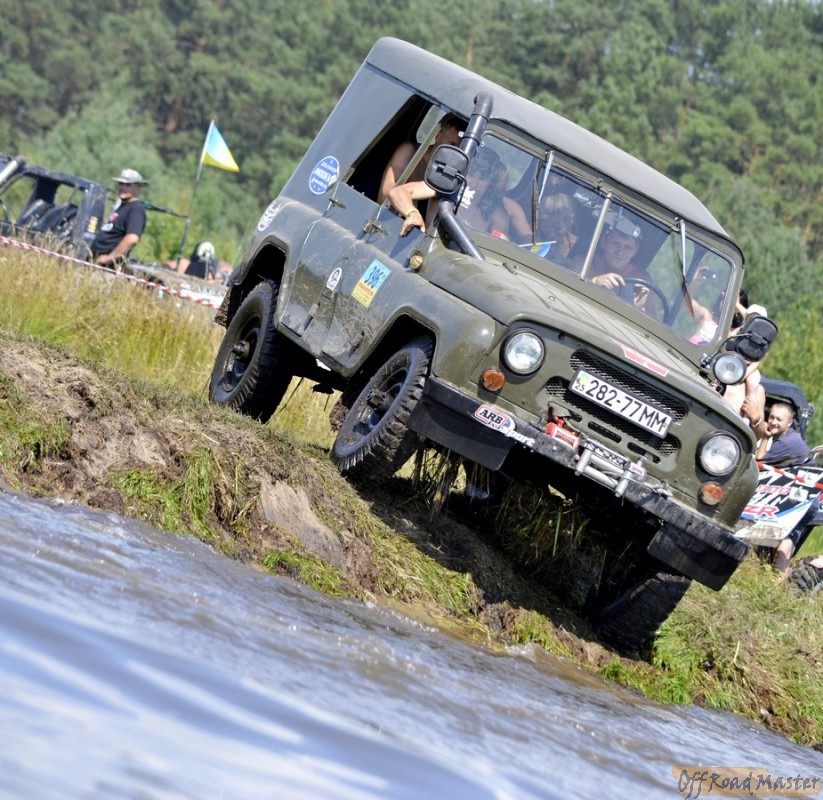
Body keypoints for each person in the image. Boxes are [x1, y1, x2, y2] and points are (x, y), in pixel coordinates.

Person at [388, 146, 510, 237]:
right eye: (472, 175)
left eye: (482, 179)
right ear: (464, 173)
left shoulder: (496, 215)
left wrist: (502, 241)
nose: (475, 183)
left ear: (491, 182)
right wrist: (412, 213)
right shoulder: (445, 186)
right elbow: (397, 192)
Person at [377, 115, 464, 203]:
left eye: (461, 148)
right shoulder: (410, 153)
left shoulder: (456, 176)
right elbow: (387, 194)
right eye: (452, 144)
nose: (457, 152)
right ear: (438, 137)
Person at [722, 290, 767, 439]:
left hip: (725, 444)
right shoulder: (717, 370)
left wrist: (755, 419)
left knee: (754, 383)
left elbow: (759, 435)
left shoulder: (757, 389)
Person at [91, 168, 148, 268]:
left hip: (108, 268)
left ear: (138, 188)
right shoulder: (123, 207)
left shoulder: (136, 209)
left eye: (128, 185)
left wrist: (108, 259)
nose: (123, 187)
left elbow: (132, 238)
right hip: (96, 263)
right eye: (121, 183)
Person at [756, 402, 812, 467]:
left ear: (789, 422)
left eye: (779, 419)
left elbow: (758, 465)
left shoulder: (784, 443)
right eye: (772, 417)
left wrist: (765, 437)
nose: (773, 422)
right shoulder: (790, 433)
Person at [532, 193, 577, 265]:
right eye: (547, 226)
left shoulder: (577, 247)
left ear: (569, 223)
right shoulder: (532, 236)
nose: (551, 233)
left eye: (558, 228)